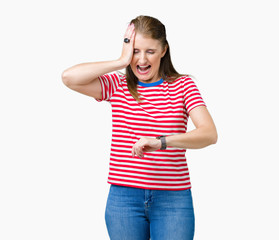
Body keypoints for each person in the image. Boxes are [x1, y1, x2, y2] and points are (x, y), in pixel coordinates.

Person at [62, 15, 217, 240]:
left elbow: (209, 134)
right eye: (136, 51)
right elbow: (69, 78)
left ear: (164, 50)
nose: (141, 60)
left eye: (150, 51)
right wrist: (120, 61)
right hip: (124, 200)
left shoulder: (183, 86)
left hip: (173, 200)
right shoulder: (118, 85)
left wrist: (162, 141)